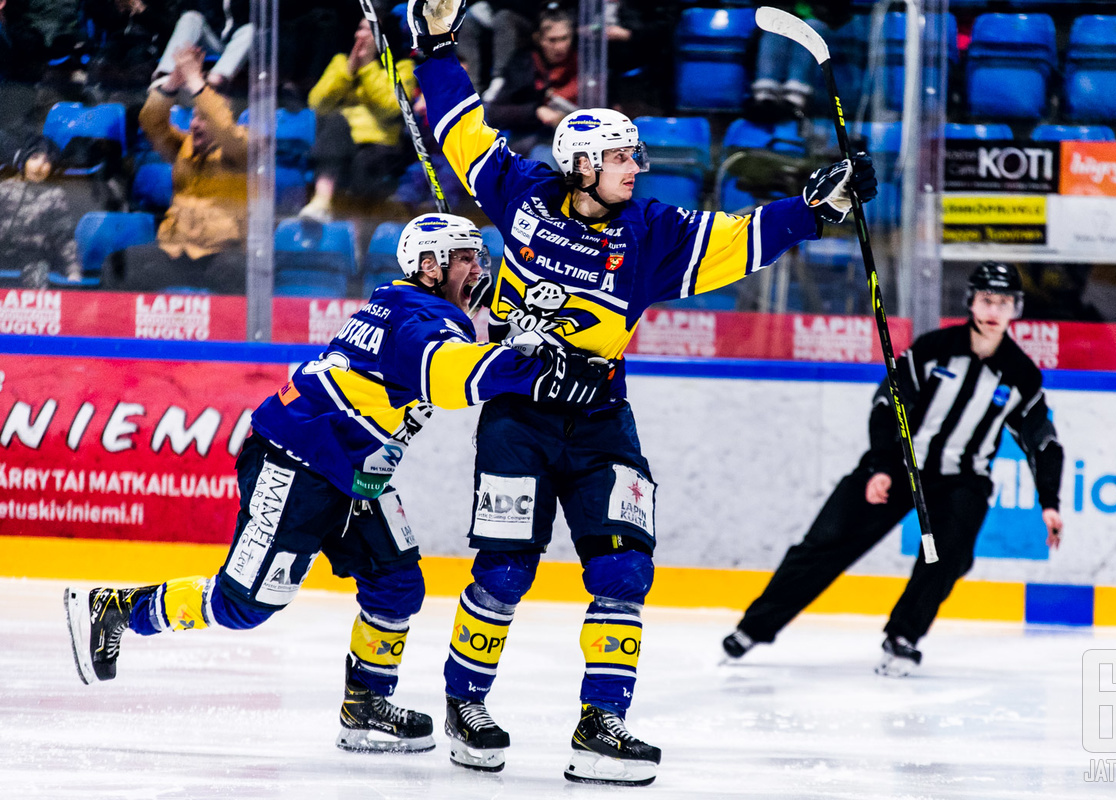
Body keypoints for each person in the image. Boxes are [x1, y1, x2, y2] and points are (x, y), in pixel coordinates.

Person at [405, 0, 877, 785]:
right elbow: (459, 127)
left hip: (601, 424)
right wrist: (437, 44)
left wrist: (816, 205)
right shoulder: (520, 193)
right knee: (504, 572)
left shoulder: (651, 234)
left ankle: (602, 726)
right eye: (623, 156)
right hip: (518, 420)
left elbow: (739, 239)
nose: (637, 166)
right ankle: (465, 703)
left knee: (624, 571)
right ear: (582, 165)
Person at [65, 212, 613, 753]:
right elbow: (451, 376)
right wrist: (543, 371)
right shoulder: (415, 318)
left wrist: (526, 338)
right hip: (296, 459)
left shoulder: (417, 307)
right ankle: (117, 607)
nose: (478, 270)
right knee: (244, 605)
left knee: (397, 583)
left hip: (355, 476)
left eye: (478, 257)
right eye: (466, 259)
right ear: (429, 266)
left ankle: (365, 707)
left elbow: (465, 347)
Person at [722, 262, 1066, 676]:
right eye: (986, 299)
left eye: (1004, 302)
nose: (994, 309)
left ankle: (903, 637)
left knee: (947, 557)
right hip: (898, 468)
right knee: (824, 544)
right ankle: (754, 628)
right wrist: (882, 466)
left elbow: (1043, 441)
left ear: (1017, 309)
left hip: (962, 482)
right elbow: (887, 405)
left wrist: (1050, 501)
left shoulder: (1021, 375)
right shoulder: (933, 350)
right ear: (971, 302)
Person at [105, 45, 247, 294]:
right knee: (119, 264)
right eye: (194, 116)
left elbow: (225, 129)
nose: (195, 125)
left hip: (222, 255)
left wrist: (195, 79)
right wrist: (174, 81)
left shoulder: (242, 147)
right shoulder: (183, 146)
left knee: (239, 272)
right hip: (177, 252)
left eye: (205, 118)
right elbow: (151, 122)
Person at [299, 18, 415, 222]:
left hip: (378, 145)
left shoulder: (403, 67)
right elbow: (317, 102)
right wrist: (349, 70)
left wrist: (368, 66)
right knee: (335, 120)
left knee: (363, 164)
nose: (360, 35)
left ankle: (358, 230)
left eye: (368, 31)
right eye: (360, 28)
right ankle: (321, 203)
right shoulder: (340, 63)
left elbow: (391, 107)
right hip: (338, 141)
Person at [484, 2, 577, 155]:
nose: (560, 47)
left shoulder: (585, 63)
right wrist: (536, 112)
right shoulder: (524, 64)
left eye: (564, 38)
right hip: (535, 137)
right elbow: (494, 113)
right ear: (539, 39)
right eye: (552, 40)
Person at [0, 135, 81, 286]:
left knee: (38, 274)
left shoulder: (54, 196)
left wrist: (73, 271)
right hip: (3, 254)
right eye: (34, 158)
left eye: (46, 161)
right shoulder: (4, 189)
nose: (39, 166)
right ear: (22, 160)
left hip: (34, 259)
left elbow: (64, 237)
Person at [153, 0, 251, 92]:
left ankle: (217, 77)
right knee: (190, 17)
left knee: (251, 29)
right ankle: (166, 74)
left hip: (240, 44)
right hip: (213, 40)